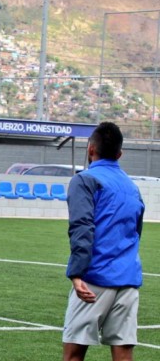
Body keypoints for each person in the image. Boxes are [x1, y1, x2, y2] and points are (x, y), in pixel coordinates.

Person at [62, 122, 145, 361]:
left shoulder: (85, 180)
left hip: (94, 279)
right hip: (128, 281)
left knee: (74, 353)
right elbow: (135, 232)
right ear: (120, 154)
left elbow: (82, 227)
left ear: (90, 149)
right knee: (123, 352)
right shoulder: (132, 187)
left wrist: (77, 274)